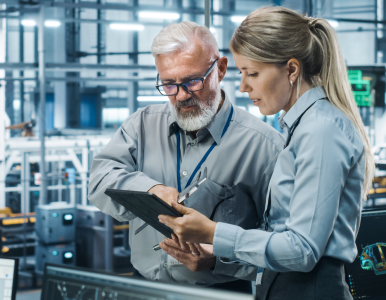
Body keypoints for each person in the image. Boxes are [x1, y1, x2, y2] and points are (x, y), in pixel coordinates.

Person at [158, 6, 375, 300]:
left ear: (292, 70)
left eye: (253, 73)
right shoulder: (302, 127)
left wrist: (213, 232)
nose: (244, 86)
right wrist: (216, 255)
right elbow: (283, 241)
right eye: (241, 73)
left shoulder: (321, 129)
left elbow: (302, 251)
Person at [88, 21, 284, 293]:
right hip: (142, 289)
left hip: (221, 291)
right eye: (168, 84)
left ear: (221, 69)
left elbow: (285, 246)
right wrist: (150, 190)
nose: (181, 96)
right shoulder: (141, 125)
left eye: (192, 81)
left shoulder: (265, 147)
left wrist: (222, 259)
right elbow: (99, 179)